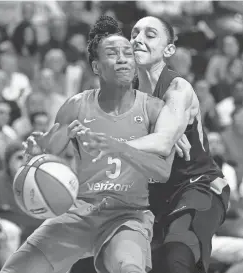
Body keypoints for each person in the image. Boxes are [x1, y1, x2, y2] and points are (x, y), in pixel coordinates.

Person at [0, 16, 175, 273]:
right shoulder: (76, 105)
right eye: (113, 53)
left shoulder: (154, 109)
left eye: (128, 52)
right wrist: (35, 154)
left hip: (127, 215)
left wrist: (119, 147)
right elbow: (49, 150)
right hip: (79, 210)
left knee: (130, 269)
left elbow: (162, 172)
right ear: (96, 66)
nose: (123, 59)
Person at [78, 16, 230, 273]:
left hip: (196, 186)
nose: (138, 39)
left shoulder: (177, 87)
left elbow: (161, 142)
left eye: (150, 35)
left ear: (168, 50)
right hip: (152, 198)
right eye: (134, 33)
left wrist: (115, 143)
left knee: (178, 255)